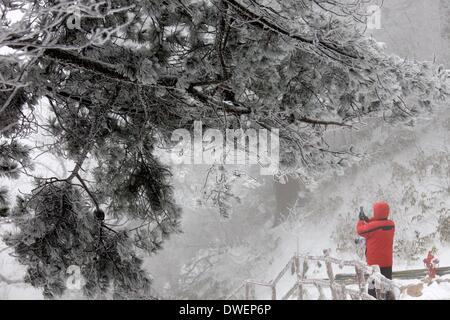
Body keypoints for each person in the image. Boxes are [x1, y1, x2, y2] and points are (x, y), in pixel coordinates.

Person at [356, 201, 395, 299]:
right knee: (386, 286)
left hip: (374, 264)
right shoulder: (391, 224)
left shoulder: (373, 227)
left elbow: (360, 230)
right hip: (387, 262)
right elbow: (378, 223)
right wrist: (367, 219)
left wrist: (361, 220)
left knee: (372, 288)